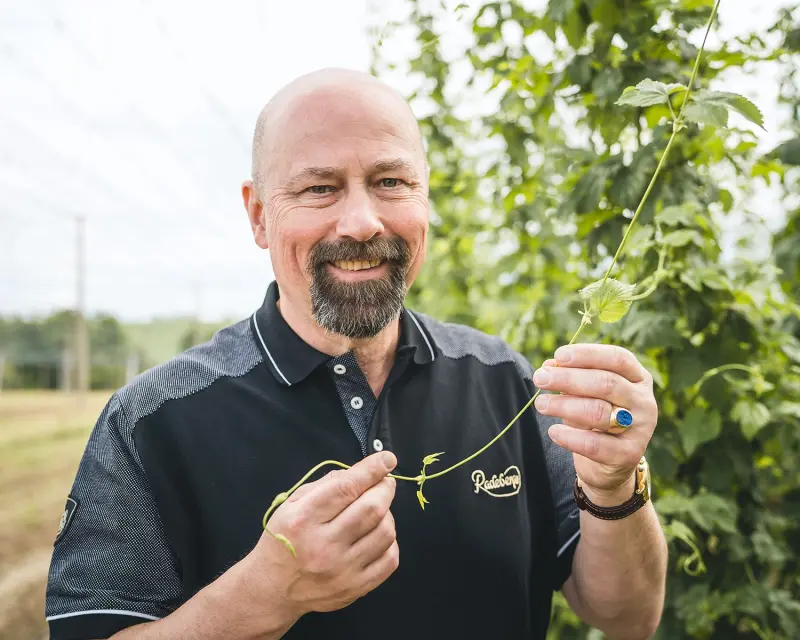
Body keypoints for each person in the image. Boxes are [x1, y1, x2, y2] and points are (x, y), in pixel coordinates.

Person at [45, 68, 667, 640]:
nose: (363, 221)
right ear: (259, 215)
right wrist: (264, 593)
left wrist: (613, 485)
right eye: (320, 188)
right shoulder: (151, 422)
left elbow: (628, 616)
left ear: (425, 199)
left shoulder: (505, 381)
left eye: (390, 181)